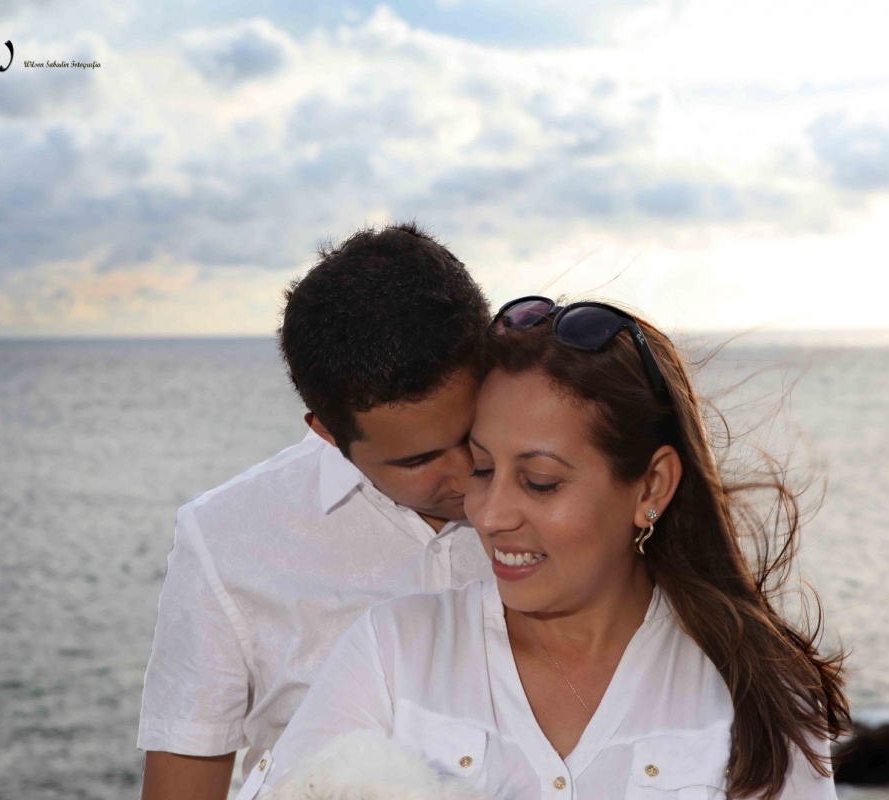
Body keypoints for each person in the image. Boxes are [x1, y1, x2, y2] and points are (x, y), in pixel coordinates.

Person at [242, 296, 850, 799]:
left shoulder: (759, 691)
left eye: (540, 481)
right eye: (481, 469)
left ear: (652, 487)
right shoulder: (392, 653)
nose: (490, 515)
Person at [137, 222, 495, 800]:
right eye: (419, 460)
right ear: (328, 434)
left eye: (473, 429)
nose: (466, 474)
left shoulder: (581, 492)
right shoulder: (226, 536)